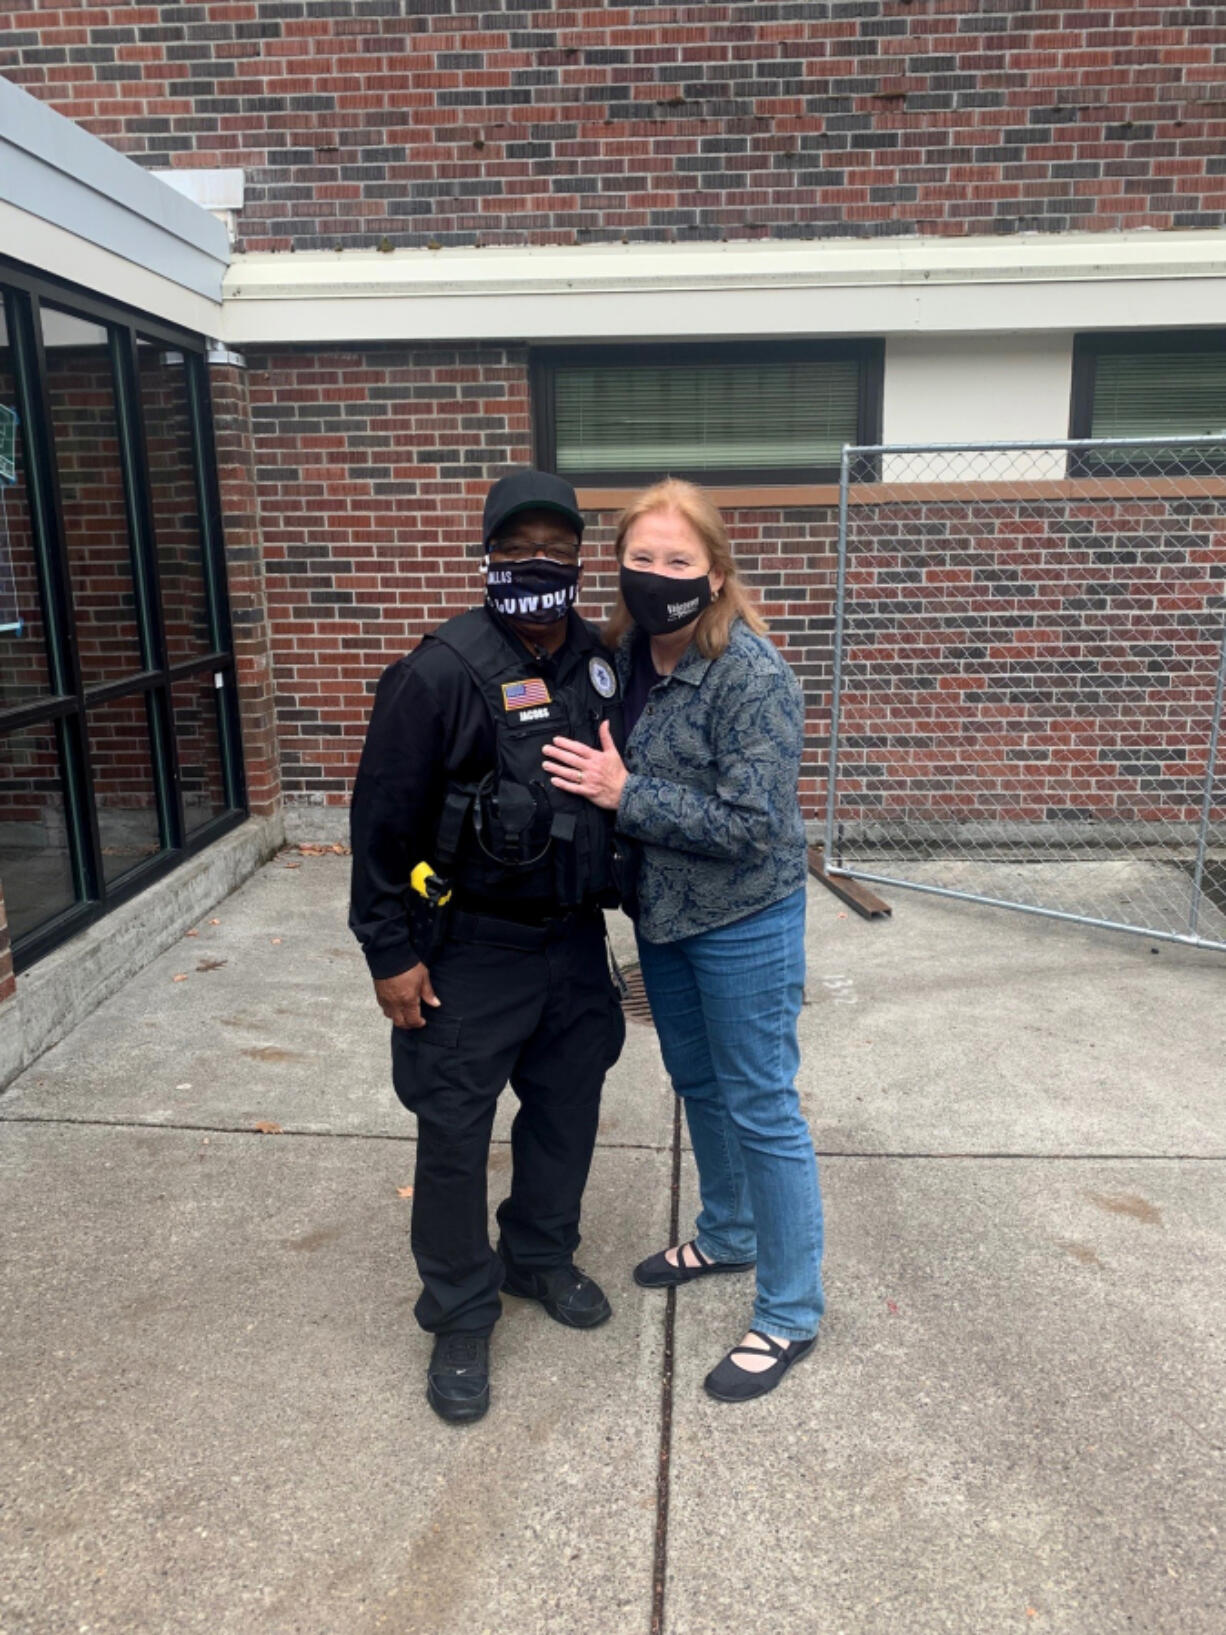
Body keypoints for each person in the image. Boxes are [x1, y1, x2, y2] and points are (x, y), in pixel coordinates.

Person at [349, 469, 627, 1425]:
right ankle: (461, 1308)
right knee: (457, 1134)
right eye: (515, 550)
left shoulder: (600, 660)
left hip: (575, 944)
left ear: (580, 559)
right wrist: (389, 953)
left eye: (554, 547)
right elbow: (380, 826)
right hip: (468, 947)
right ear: (487, 558)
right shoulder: (438, 670)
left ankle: (539, 1254)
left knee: (567, 1110)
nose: (536, 563)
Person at [542, 478, 824, 1403]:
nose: (656, 575)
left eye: (678, 561)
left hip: (744, 918)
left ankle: (789, 1310)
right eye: (642, 558)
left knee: (762, 1106)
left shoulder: (751, 675)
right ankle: (729, 1232)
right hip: (662, 918)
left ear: (714, 573)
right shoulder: (623, 656)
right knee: (698, 1084)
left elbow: (754, 822)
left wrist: (628, 797)